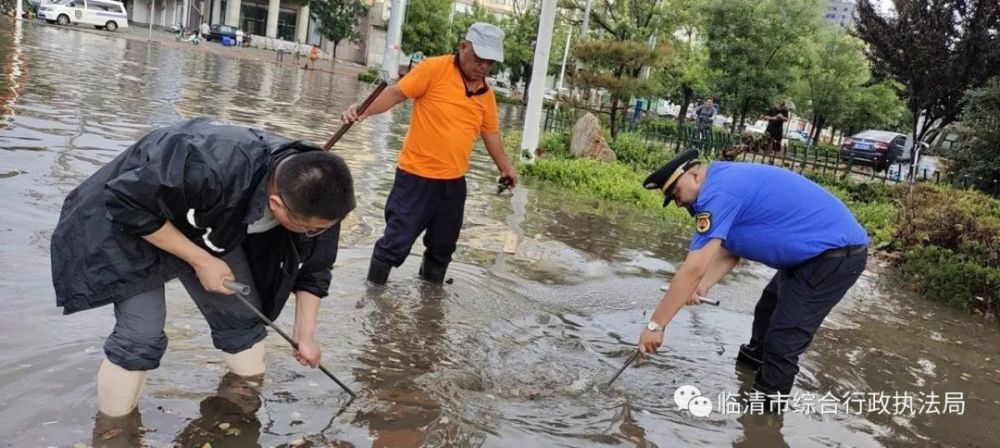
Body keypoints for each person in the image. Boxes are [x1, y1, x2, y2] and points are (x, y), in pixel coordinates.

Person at [50, 117, 356, 419]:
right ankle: (113, 433)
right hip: (130, 223)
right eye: (308, 229)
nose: (316, 233)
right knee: (140, 336)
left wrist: (305, 335)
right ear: (276, 205)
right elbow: (126, 203)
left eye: (321, 229)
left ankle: (237, 410)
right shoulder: (209, 163)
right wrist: (201, 260)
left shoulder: (321, 196)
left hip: (212, 225)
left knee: (243, 320)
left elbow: (315, 269)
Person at [636, 148, 869, 410]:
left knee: (783, 340)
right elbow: (730, 249)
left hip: (833, 257)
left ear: (694, 175)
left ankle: (763, 418)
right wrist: (702, 285)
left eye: (675, 192)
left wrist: (656, 326)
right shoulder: (720, 185)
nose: (677, 202)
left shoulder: (717, 192)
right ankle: (749, 379)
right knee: (766, 312)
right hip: (807, 255)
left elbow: (693, 268)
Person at [340, 22, 518, 285]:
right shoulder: (434, 69)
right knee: (395, 242)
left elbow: (490, 134)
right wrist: (362, 110)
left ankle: (429, 308)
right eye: (479, 58)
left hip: (453, 184)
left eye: (489, 62)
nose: (483, 66)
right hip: (415, 177)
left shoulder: (486, 95)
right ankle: (372, 295)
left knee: (442, 247)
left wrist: (505, 167)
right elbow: (395, 93)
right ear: (463, 47)